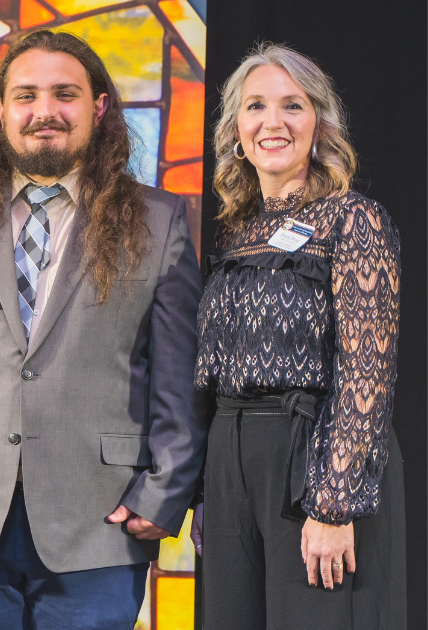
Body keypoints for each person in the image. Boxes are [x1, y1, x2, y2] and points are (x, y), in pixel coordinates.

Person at [0, 29, 205, 629]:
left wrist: (164, 491)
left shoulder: (158, 221)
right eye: (25, 95)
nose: (43, 112)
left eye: (64, 94)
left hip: (99, 520)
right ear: (0, 112)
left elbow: (176, 375)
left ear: (98, 108)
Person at [191, 43, 405, 629]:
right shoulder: (236, 232)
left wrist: (334, 504)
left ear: (320, 124)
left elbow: (367, 370)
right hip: (230, 459)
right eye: (256, 106)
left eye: (293, 106)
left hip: (310, 456)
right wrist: (208, 491)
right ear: (237, 128)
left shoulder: (354, 219)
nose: (273, 122)